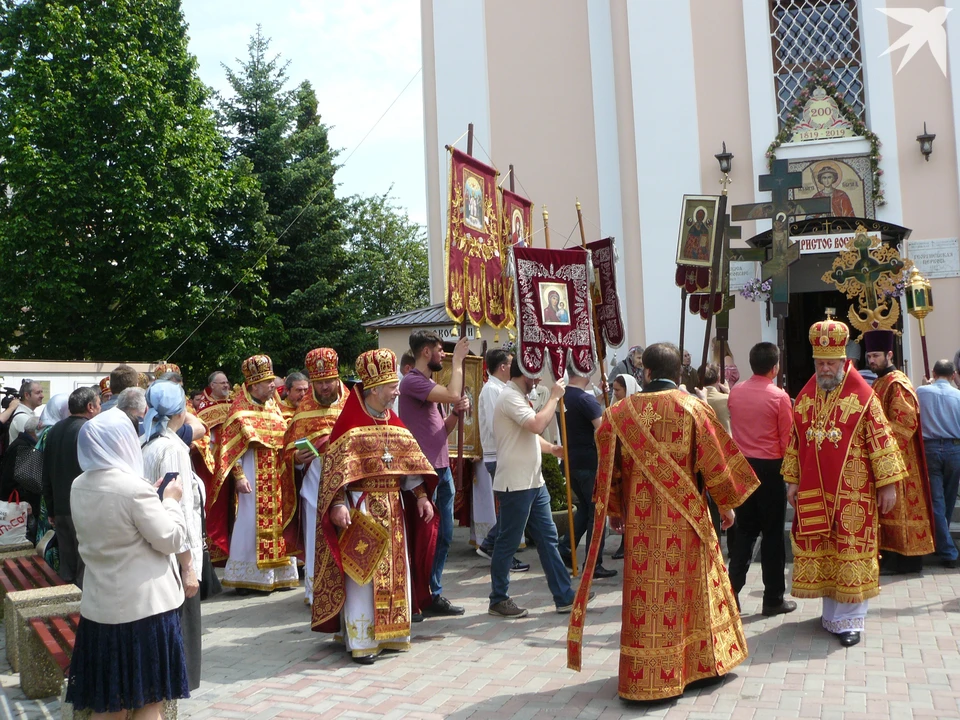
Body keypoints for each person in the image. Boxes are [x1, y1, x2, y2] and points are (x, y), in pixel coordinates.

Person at [567, 343, 759, 701]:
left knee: (650, 598)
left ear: (646, 373)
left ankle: (646, 678)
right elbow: (715, 465)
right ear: (678, 373)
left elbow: (609, 471)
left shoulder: (618, 414)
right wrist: (726, 505)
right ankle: (698, 669)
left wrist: (614, 513)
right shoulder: (693, 408)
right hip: (686, 521)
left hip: (642, 527)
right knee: (693, 592)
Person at [783, 315, 905, 647]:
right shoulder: (807, 396)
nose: (824, 369)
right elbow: (797, 440)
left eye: (829, 363)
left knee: (851, 550)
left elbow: (882, 440)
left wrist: (888, 484)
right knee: (828, 550)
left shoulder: (865, 396)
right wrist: (792, 481)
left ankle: (852, 620)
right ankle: (832, 616)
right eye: (819, 363)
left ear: (843, 360)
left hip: (855, 493)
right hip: (815, 489)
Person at [312, 349, 438, 664]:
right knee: (361, 575)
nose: (397, 390)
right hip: (361, 508)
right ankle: (362, 639)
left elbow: (408, 467)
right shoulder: (350, 424)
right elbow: (334, 473)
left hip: (393, 509)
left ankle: (393, 635)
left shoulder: (394, 422)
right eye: (391, 386)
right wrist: (337, 503)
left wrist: (421, 496)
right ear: (374, 389)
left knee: (396, 571)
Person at [66, 408, 189, 717]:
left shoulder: (79, 484)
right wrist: (171, 501)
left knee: (109, 705)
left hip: (100, 609)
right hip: (146, 611)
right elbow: (171, 539)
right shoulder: (133, 489)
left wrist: (152, 494)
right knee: (150, 702)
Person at [488, 359, 574, 618]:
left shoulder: (517, 396)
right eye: (534, 377)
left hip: (533, 481)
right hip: (515, 482)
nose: (537, 382)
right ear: (522, 374)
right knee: (508, 542)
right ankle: (498, 598)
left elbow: (529, 435)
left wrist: (551, 449)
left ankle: (564, 595)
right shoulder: (509, 396)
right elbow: (537, 424)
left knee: (548, 538)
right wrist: (554, 397)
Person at [398, 331, 471, 617]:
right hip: (423, 473)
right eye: (440, 350)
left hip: (441, 468)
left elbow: (443, 430)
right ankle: (421, 594)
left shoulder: (427, 384)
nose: (444, 355)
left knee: (444, 535)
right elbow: (453, 391)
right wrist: (460, 363)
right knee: (425, 536)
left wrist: (456, 412)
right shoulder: (412, 381)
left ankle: (432, 591)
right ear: (426, 352)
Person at [141, 381, 205, 691]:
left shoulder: (149, 441)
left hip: (162, 551)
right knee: (183, 630)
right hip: (177, 555)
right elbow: (176, 510)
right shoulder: (170, 449)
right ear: (182, 411)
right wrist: (189, 565)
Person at [217, 355, 299, 593]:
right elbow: (229, 450)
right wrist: (239, 476)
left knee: (279, 522)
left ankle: (279, 576)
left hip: (277, 475)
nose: (273, 385)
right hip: (253, 475)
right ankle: (247, 578)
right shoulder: (238, 411)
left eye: (272, 380)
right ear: (253, 386)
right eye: (267, 382)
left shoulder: (274, 407)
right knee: (249, 522)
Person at [726, 342, 796, 615]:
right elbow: (787, 440)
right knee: (772, 535)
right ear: (775, 367)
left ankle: (731, 593)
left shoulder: (736, 392)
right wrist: (791, 477)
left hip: (743, 466)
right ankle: (773, 598)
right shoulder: (779, 397)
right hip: (770, 468)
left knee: (744, 532)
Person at [864, 331, 936, 575]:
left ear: (890, 355)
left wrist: (876, 439)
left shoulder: (897, 383)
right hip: (887, 458)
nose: (871, 360)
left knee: (900, 509)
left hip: (901, 461)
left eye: (876, 355)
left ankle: (905, 561)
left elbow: (904, 423)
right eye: (869, 356)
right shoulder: (879, 382)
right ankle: (892, 558)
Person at [281, 348, 348, 605]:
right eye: (318, 383)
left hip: (347, 486)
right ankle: (316, 591)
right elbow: (287, 453)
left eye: (328, 381)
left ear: (336, 376)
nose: (324, 387)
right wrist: (297, 460)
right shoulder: (303, 412)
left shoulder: (351, 404)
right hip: (315, 486)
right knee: (316, 537)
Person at [557, 373, 616, 580]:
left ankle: (565, 547)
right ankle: (594, 563)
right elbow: (603, 431)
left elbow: (581, 418)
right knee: (596, 514)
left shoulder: (564, 395)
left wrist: (598, 400)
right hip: (588, 464)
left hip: (570, 461)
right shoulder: (584, 399)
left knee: (584, 507)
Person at [474, 348, 529, 572]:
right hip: (499, 454)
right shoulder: (491, 390)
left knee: (512, 509)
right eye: (511, 363)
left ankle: (493, 546)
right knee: (510, 509)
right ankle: (494, 548)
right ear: (503, 366)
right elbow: (496, 425)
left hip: (506, 453)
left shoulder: (503, 388)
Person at [41, 387, 101, 584]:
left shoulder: (54, 430)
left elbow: (47, 472)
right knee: (86, 566)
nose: (100, 407)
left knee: (67, 566)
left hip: (61, 508)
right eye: (99, 403)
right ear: (90, 406)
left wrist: (51, 508)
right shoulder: (89, 430)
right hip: (83, 507)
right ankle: (80, 613)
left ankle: (67, 608)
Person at [916, 359, 960, 567]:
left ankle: (945, 547)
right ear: (953, 375)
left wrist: (926, 383)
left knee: (937, 502)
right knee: (947, 499)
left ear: (933, 372)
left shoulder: (922, 391)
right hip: (954, 448)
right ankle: (947, 548)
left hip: (931, 447)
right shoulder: (958, 395)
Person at [191, 370, 234, 563]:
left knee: (234, 507)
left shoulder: (234, 405)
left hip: (234, 463)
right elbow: (201, 438)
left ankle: (233, 547)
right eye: (222, 383)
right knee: (216, 506)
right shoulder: (203, 408)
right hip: (214, 466)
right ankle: (217, 549)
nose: (226, 385)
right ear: (212, 386)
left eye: (227, 382)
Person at [0, 415, 41, 542]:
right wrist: (29, 502)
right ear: (36, 431)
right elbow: (27, 480)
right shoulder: (26, 447)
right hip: (20, 504)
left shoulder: (19, 443)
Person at [8, 379, 44, 444]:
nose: (42, 396)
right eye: (38, 393)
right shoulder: (22, 417)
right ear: (27, 395)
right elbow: (36, 442)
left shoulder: (29, 414)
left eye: (42, 392)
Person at [699, 363, 731, 433]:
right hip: (726, 440)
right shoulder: (727, 399)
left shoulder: (695, 400)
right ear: (718, 379)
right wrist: (729, 392)